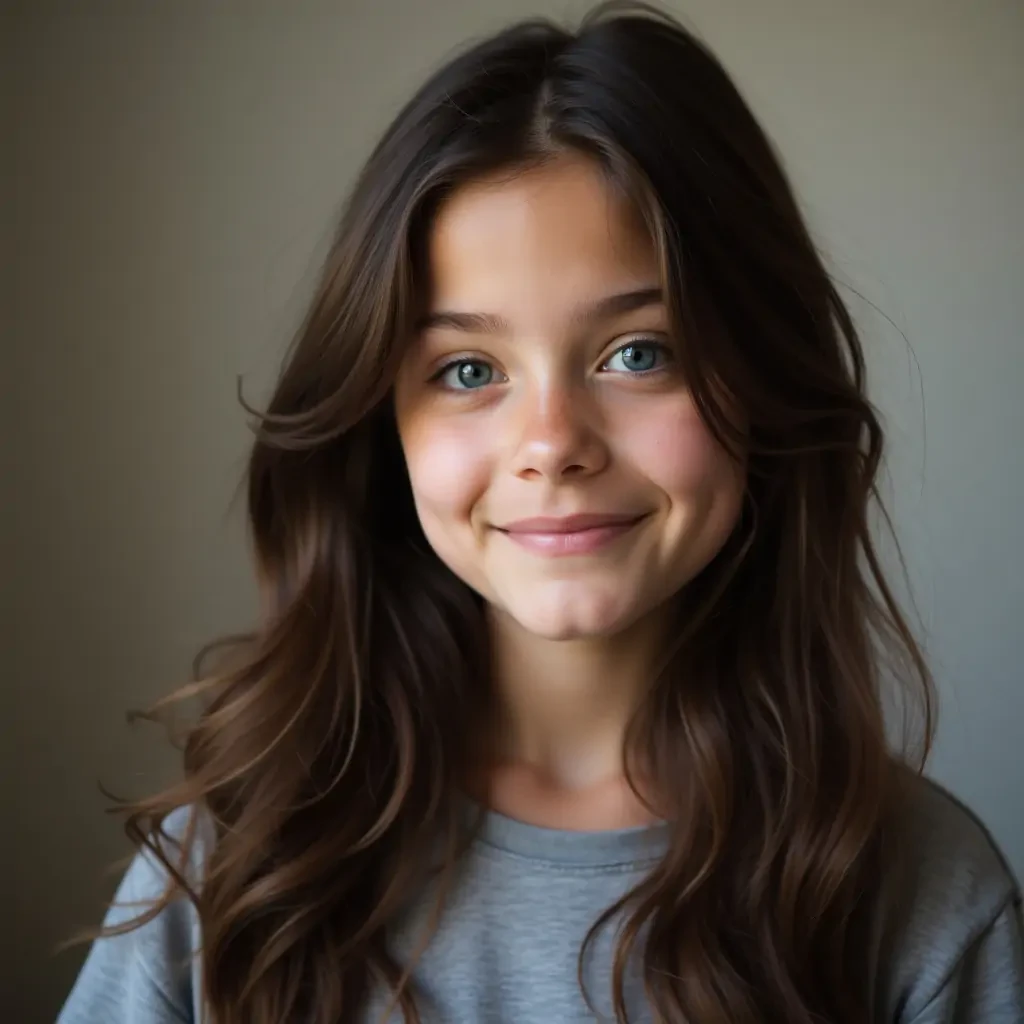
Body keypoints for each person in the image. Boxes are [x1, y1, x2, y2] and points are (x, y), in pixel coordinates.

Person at [56, 4, 1023, 1023]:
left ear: (763, 381)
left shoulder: (919, 894)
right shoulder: (244, 863)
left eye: (638, 352)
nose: (552, 441)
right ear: (383, 427)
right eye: (468, 369)